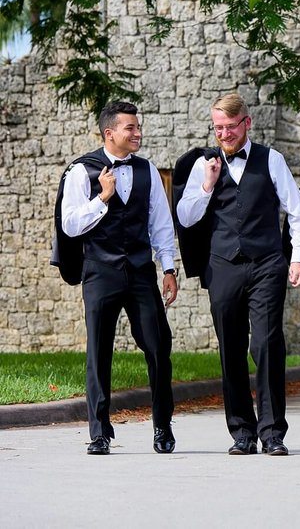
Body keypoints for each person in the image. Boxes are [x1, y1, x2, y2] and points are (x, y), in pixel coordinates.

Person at [176, 93, 300, 456]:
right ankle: (241, 431)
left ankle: (272, 432)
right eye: (218, 128)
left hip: (267, 262)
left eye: (230, 127)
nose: (224, 134)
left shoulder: (272, 159)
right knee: (230, 348)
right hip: (222, 266)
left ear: (246, 124)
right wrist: (206, 186)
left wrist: (298, 258)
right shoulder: (203, 164)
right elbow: (186, 217)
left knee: (267, 344)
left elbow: (297, 212)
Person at [55, 101, 177, 455]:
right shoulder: (81, 171)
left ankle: (162, 426)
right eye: (131, 128)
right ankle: (99, 432)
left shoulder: (147, 170)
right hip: (100, 273)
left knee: (158, 347)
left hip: (140, 273)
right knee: (98, 352)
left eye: (138, 127)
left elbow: (160, 223)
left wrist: (168, 268)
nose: (138, 133)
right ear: (110, 133)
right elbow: (70, 224)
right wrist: (102, 199)